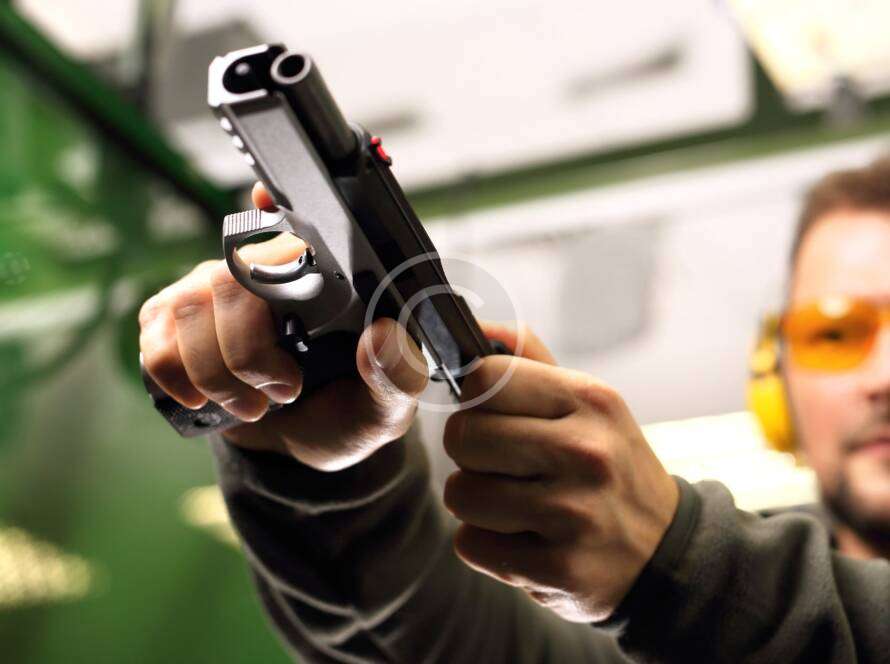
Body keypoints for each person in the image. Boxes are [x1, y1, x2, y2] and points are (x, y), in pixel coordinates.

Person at [138, 158, 890, 662]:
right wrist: (321, 478)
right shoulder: (663, 640)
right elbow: (426, 641)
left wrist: (684, 561)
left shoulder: (686, 605)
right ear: (776, 375)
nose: (884, 377)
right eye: (836, 334)